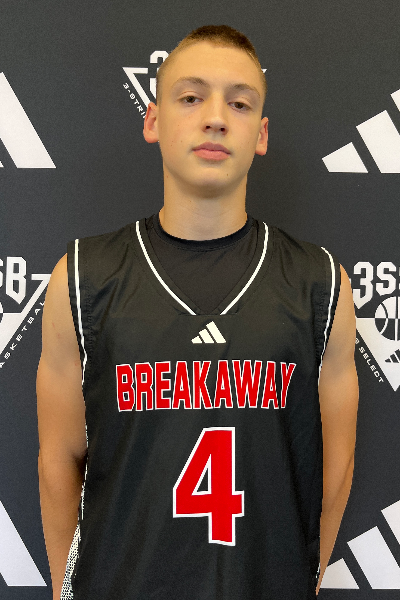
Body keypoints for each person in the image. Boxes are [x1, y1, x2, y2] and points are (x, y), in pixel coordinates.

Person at [36, 24, 359, 600]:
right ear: (153, 120)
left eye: (239, 103)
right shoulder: (82, 277)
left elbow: (334, 465)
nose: (215, 118)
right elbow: (58, 458)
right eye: (190, 97)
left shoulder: (320, 284)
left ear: (261, 134)